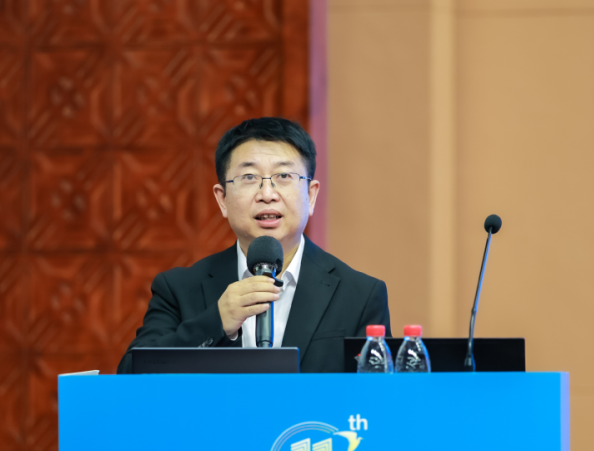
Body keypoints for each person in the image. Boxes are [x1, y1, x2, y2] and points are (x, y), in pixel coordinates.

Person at [116, 117, 390, 373]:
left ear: (311, 195)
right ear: (222, 199)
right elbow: (131, 373)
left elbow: (379, 396)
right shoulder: (178, 289)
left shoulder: (360, 295)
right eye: (249, 177)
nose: (267, 194)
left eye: (284, 176)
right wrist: (216, 321)